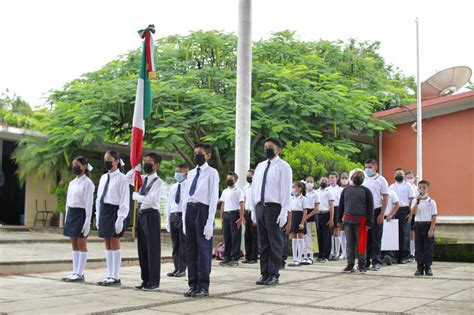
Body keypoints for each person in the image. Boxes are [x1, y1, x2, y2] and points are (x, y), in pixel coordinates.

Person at [250, 137, 292, 286]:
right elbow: (254, 188)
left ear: (278, 150)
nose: (267, 149)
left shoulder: (283, 166)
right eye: (265, 147)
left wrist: (284, 211)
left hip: (274, 208)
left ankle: (274, 273)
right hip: (260, 206)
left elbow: (286, 191)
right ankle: (265, 273)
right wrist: (253, 208)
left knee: (275, 242)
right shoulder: (260, 166)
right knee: (263, 243)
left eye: (270, 147)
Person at [182, 143, 219, 298]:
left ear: (208, 156)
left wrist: (210, 221)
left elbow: (213, 196)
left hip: (203, 210)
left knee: (203, 249)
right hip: (190, 209)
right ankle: (193, 284)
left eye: (200, 153)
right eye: (195, 152)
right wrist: (184, 218)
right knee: (190, 249)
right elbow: (185, 196)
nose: (197, 155)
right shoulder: (190, 173)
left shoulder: (212, 173)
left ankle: (203, 285)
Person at [125, 152, 163, 291]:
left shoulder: (158, 182)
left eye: (149, 162)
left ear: (156, 165)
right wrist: (135, 168)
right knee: (142, 249)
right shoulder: (141, 179)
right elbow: (127, 179)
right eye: (145, 161)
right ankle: (145, 279)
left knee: (152, 249)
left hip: (151, 215)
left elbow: (151, 199)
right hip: (141, 215)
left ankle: (153, 281)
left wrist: (137, 197)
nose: (146, 164)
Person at [96, 150, 130, 286]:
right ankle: (109, 274)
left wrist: (120, 218)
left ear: (116, 161)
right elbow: (99, 197)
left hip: (115, 211)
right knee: (107, 243)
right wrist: (97, 215)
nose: (107, 162)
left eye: (109, 160)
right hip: (104, 210)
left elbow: (124, 200)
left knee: (114, 242)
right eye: (106, 159)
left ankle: (115, 276)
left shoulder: (122, 178)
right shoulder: (104, 177)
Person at [61, 156, 94, 282]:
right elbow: (68, 201)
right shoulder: (72, 183)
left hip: (81, 213)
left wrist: (87, 221)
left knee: (81, 243)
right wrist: (66, 216)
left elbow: (88, 204)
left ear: (84, 167)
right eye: (73, 165)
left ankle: (80, 273)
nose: (75, 168)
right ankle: (74, 271)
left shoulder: (88, 183)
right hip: (72, 213)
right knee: (74, 243)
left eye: (77, 165)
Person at [337, 169, 374, 273]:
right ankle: (350, 264)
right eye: (355, 176)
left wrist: (369, 222)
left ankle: (362, 265)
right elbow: (341, 206)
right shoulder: (346, 190)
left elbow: (370, 207)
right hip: (348, 221)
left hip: (361, 222)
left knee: (361, 244)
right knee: (350, 244)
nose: (357, 178)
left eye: (360, 176)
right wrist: (339, 220)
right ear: (351, 178)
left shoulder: (366, 191)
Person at [362, 158, 389, 271]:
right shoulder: (363, 179)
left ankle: (376, 261)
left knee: (376, 238)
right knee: (365, 238)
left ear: (375, 167)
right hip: (364, 212)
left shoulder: (381, 180)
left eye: (370, 167)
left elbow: (385, 197)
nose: (368, 169)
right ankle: (366, 261)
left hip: (376, 210)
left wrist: (382, 213)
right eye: (366, 167)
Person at [166, 163, 189, 278]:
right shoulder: (173, 187)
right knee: (175, 245)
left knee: (183, 244)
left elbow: (186, 204)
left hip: (182, 215)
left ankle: (182, 268)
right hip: (173, 216)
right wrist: (167, 219)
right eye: (176, 172)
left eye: (180, 172)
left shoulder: (188, 186)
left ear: (186, 173)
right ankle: (176, 267)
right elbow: (169, 204)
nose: (177, 174)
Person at [389, 168, 416, 264]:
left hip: (405, 210)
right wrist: (390, 213)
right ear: (394, 176)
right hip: (395, 211)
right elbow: (390, 201)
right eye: (397, 173)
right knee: (395, 233)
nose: (399, 175)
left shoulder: (408, 186)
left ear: (404, 175)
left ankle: (405, 255)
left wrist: (410, 213)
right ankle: (395, 256)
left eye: (400, 173)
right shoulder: (391, 187)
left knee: (405, 233)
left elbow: (412, 200)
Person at [411, 180, 437, 276]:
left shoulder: (432, 202)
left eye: (424, 188)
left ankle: (428, 267)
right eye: (420, 187)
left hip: (427, 225)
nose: (422, 189)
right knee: (418, 247)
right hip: (418, 225)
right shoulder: (415, 200)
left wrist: (431, 229)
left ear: (428, 189)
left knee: (428, 247)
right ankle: (419, 267)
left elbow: (434, 216)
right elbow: (413, 213)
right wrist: (417, 202)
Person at [219, 172, 245, 267]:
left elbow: (242, 204)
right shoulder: (225, 191)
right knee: (227, 237)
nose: (229, 180)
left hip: (235, 214)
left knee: (235, 237)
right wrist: (221, 217)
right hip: (226, 214)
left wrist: (241, 217)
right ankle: (226, 257)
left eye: (231, 179)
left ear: (235, 180)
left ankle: (235, 258)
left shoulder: (239, 191)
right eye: (228, 179)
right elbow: (223, 204)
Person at [288, 181, 308, 267]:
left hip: (300, 217)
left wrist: (302, 223)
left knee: (300, 237)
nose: (293, 189)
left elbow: (305, 212)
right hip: (293, 217)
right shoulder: (291, 198)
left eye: (294, 187)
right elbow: (290, 211)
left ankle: (299, 258)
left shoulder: (304, 199)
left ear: (300, 188)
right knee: (293, 238)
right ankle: (294, 258)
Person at [302, 176, 320, 265]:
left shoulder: (315, 194)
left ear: (313, 183)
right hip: (303, 214)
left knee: (311, 236)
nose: (309, 183)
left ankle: (311, 257)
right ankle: (305, 256)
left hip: (312, 214)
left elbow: (317, 208)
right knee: (304, 236)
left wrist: (307, 216)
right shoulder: (303, 193)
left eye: (311, 181)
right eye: (307, 181)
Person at [316, 176, 334, 263]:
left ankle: (326, 255)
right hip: (318, 215)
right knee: (319, 235)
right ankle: (320, 254)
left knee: (326, 236)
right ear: (319, 181)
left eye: (325, 181)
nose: (323, 182)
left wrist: (331, 218)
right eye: (322, 180)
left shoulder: (329, 192)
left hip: (326, 214)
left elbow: (331, 206)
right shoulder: (316, 192)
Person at [243, 169, 258, 264]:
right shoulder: (245, 188)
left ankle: (254, 257)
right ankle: (247, 256)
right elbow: (244, 200)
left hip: (254, 212)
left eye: (250, 176)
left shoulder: (256, 187)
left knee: (254, 236)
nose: (248, 177)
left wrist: (255, 217)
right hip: (247, 212)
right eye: (247, 175)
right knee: (247, 235)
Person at [382, 187, 400, 266]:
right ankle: (380, 257)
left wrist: (391, 214)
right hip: (379, 217)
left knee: (389, 238)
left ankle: (390, 257)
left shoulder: (391, 192)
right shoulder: (377, 192)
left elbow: (397, 204)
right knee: (380, 238)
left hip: (388, 218)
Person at [328, 171, 343, 261]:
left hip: (338, 209)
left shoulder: (340, 190)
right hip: (329, 210)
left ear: (337, 179)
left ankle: (337, 252)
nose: (331, 180)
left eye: (333, 178)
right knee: (330, 233)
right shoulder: (327, 189)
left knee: (336, 232)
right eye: (330, 178)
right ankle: (332, 252)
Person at [405, 170, 418, 261]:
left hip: (413, 212)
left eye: (411, 177)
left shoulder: (416, 188)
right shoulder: (404, 186)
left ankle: (412, 253)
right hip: (405, 211)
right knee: (406, 233)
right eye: (408, 177)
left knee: (412, 233)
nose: (410, 179)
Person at [339, 172, 350, 259]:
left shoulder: (350, 188)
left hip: (349, 211)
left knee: (349, 233)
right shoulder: (338, 189)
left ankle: (349, 251)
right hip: (340, 210)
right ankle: (343, 252)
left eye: (346, 177)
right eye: (342, 178)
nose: (344, 179)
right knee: (341, 231)